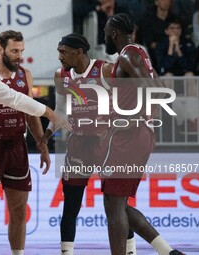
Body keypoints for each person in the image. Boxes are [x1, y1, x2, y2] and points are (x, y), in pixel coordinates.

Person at [41, 33, 136, 255]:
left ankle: (130, 251)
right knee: (71, 204)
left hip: (107, 144)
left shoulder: (105, 70)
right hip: (78, 145)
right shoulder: (61, 75)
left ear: (79, 52)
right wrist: (46, 134)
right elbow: (62, 110)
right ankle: (67, 252)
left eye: (63, 52)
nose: (59, 56)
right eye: (58, 51)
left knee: (118, 204)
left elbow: (129, 99)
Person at [98, 13, 186, 255]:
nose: (104, 36)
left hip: (129, 137)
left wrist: (133, 120)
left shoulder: (128, 55)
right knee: (118, 203)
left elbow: (153, 92)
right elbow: (161, 89)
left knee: (113, 204)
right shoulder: (140, 53)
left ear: (113, 34)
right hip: (139, 135)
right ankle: (168, 252)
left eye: (106, 32)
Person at [0, 30, 50, 255]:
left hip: (17, 146)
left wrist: (41, 144)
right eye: (14, 51)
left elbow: (31, 113)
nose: (19, 56)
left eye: (21, 51)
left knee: (18, 210)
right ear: (1, 50)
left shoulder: (25, 75)